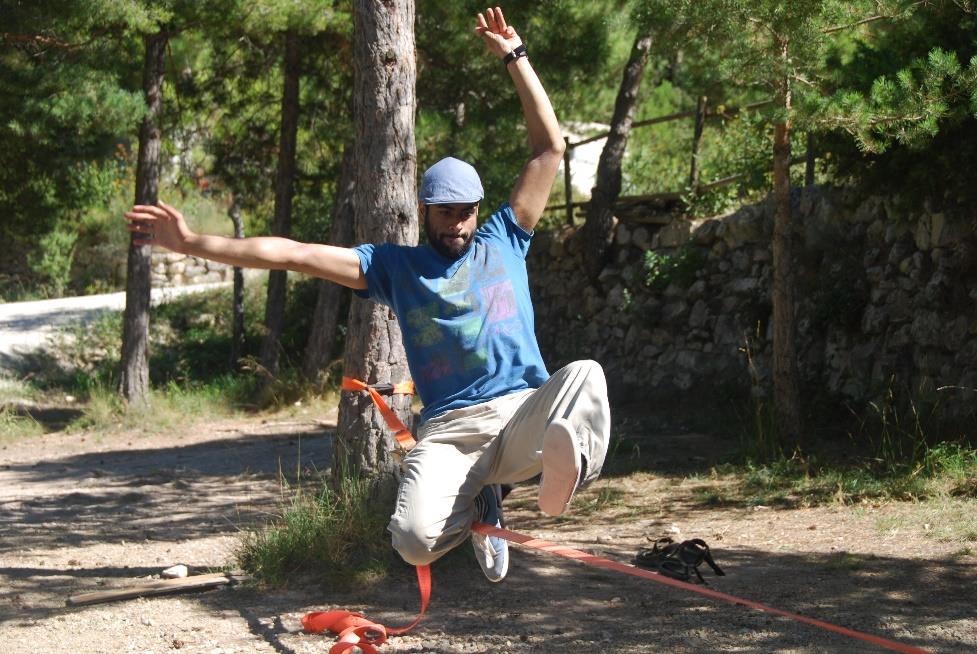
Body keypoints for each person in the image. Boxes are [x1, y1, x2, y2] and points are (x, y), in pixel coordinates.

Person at [124, 6, 610, 583]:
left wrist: (515, 57)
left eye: (467, 212)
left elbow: (548, 149)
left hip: (518, 415)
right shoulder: (392, 267)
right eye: (447, 212)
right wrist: (193, 243)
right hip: (451, 429)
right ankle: (478, 504)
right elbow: (294, 253)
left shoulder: (504, 238)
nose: (458, 223)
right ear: (425, 210)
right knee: (412, 541)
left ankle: (567, 466)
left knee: (585, 375)